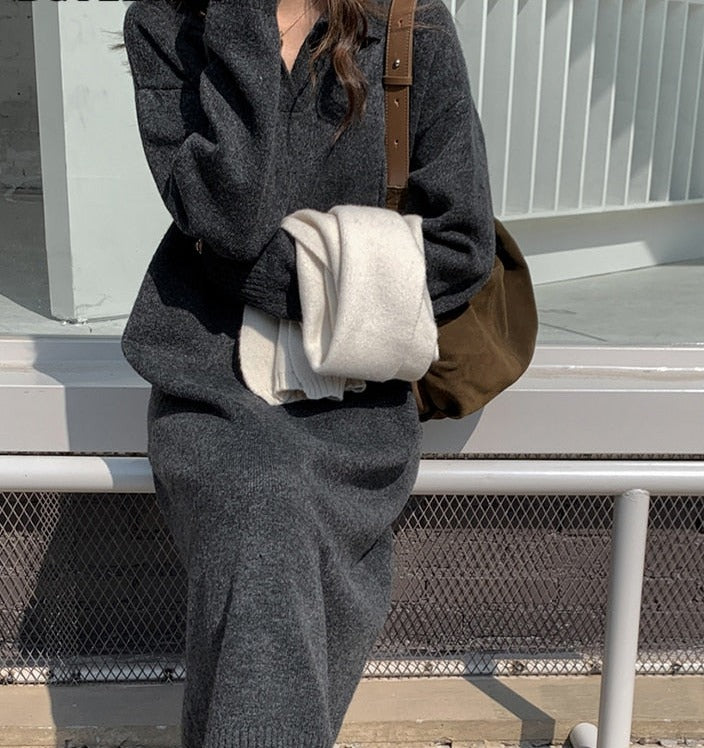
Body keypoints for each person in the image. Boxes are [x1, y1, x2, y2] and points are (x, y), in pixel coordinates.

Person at [120, 0, 496, 744]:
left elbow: (462, 245)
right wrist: (243, 24)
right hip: (213, 381)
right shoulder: (167, 25)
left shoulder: (409, 23)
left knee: (275, 562)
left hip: (358, 392)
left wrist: (274, 274)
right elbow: (228, 212)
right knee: (259, 514)